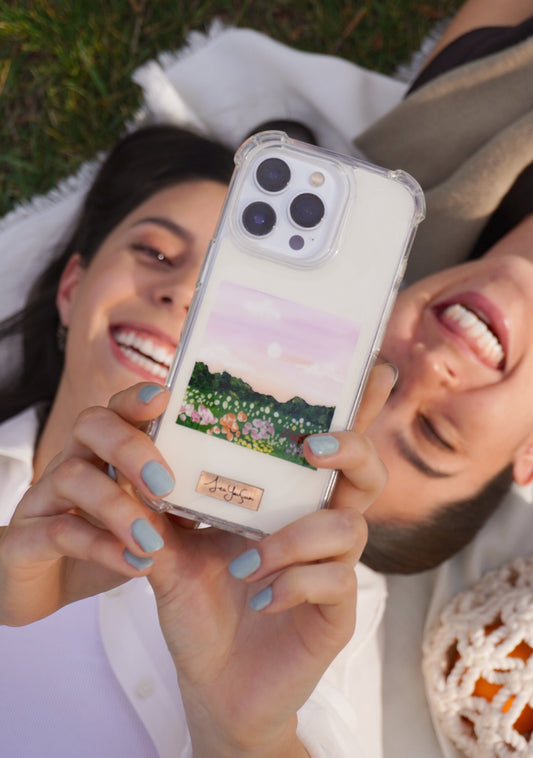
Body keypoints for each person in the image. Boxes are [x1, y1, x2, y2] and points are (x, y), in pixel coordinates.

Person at [0, 123, 394, 758]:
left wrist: (246, 734)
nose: (182, 293)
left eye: (223, 294)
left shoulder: (320, 580)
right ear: (71, 291)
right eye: (157, 254)